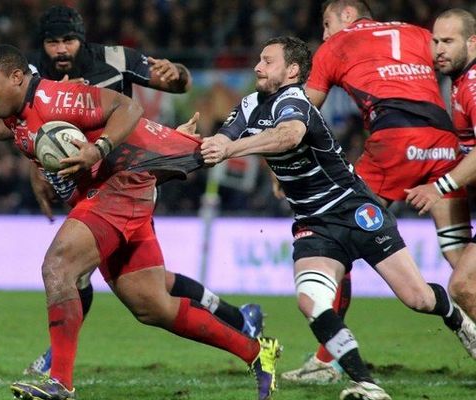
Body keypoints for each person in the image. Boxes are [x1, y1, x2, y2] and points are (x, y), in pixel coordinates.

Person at [0, 44, 281, 400]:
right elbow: (6, 130)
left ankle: (59, 382)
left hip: (120, 186)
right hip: (114, 193)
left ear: (17, 78)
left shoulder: (58, 99)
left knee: (58, 266)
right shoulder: (13, 115)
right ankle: (258, 352)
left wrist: (99, 148)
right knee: (152, 306)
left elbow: (128, 107)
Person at [200, 35, 476, 400]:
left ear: (292, 70)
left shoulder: (295, 102)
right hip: (314, 225)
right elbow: (222, 139)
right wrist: (196, 143)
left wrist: (232, 148)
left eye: (267, 61)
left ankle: (457, 319)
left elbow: (288, 136)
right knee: (310, 299)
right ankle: (366, 383)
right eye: (259, 60)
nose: (257, 67)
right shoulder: (250, 104)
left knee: (419, 299)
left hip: (355, 211)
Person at [281, 0, 476, 383]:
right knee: (460, 262)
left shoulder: (335, 47)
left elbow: (303, 112)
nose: (324, 34)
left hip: (394, 142)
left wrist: (284, 162)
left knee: (335, 234)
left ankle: (326, 360)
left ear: (348, 15)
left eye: (326, 23)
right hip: (444, 145)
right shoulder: (424, 36)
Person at [406, 9, 476, 320]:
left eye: (448, 41)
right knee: (462, 271)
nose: (439, 49)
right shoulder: (460, 82)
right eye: (435, 41)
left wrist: (440, 187)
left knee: (462, 285)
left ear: (472, 42)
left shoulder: (473, 85)